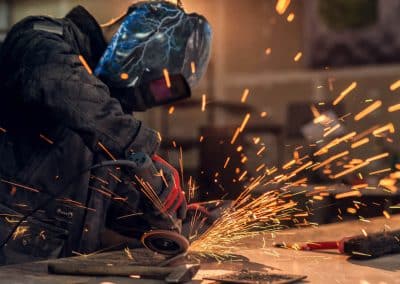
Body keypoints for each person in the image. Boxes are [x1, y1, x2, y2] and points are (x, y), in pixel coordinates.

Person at [0, 1, 212, 265]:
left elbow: (108, 204)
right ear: (139, 41)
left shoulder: (109, 122)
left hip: (54, 268)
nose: (151, 95)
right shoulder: (40, 40)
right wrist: (142, 149)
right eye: (159, 83)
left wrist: (164, 214)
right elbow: (61, 85)